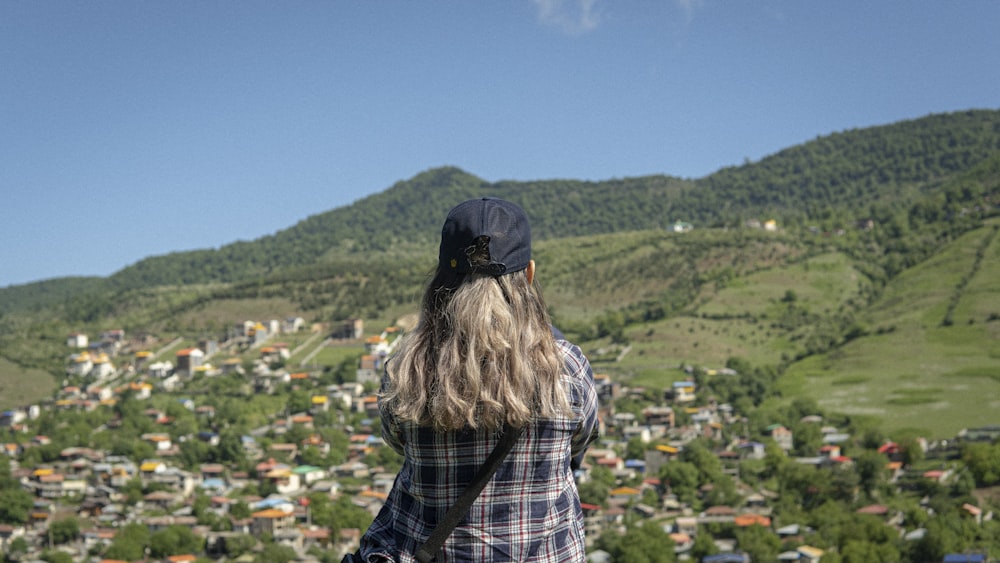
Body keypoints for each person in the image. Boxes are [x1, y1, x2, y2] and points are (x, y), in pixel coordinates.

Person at [357, 197, 600, 562]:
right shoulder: (567, 366)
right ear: (529, 274)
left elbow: (400, 444)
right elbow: (580, 440)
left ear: (442, 276)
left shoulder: (406, 370)